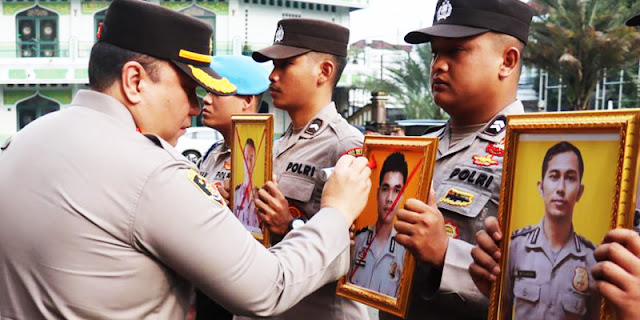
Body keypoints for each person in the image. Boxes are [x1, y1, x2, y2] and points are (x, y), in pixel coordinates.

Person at [0, 1, 373, 318]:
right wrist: (337, 214)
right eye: (189, 88)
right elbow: (267, 287)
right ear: (135, 81)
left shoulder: (27, 140)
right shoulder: (151, 171)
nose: (196, 107)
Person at [380, 1, 534, 319]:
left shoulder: (536, 153)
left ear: (507, 61)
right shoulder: (420, 147)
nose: (438, 64)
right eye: (436, 52)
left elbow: (544, 288)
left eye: (456, 51)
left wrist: (445, 254)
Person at [249, 18, 367, 320]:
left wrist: (288, 227)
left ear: (324, 71)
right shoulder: (279, 142)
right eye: (273, 66)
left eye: (285, 65)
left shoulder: (346, 145)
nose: (273, 76)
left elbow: (363, 254)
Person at [195, 54, 271, 320]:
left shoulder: (267, 158)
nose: (206, 99)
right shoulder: (212, 153)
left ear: (248, 100)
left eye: (216, 92)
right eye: (206, 92)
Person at [504, 142, 598, 319]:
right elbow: (501, 310)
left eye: (570, 178)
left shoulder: (593, 260)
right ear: (541, 187)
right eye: (554, 177)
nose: (561, 189)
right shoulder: (515, 248)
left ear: (580, 191)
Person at [350, 152, 408, 298]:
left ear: (402, 197)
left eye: (396, 190)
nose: (389, 199)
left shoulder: (406, 252)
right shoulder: (356, 239)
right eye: (385, 188)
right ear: (377, 193)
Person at [233, 138, 261, 233]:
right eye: (246, 158)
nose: (248, 162)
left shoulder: (261, 195)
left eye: (251, 157)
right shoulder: (236, 193)